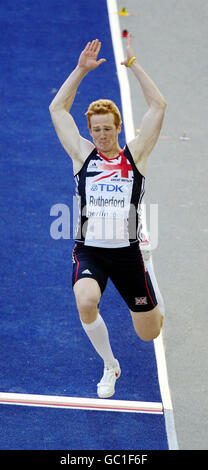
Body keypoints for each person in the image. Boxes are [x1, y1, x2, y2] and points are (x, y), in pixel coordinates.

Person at [49, 34, 167, 398]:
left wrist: (133, 65)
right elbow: (57, 110)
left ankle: (149, 273)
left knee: (149, 332)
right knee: (85, 301)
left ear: (118, 128)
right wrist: (80, 70)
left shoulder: (136, 156)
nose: (101, 135)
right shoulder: (83, 156)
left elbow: (158, 107)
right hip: (92, 250)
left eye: (107, 128)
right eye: (95, 129)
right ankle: (110, 366)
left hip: (129, 252)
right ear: (90, 131)